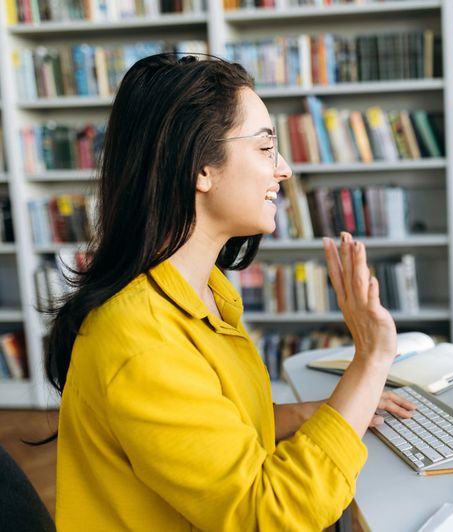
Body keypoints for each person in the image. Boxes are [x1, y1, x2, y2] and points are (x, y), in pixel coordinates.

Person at [43, 54, 416, 531]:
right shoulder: (141, 341)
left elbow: (219, 427)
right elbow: (268, 516)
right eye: (265, 148)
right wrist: (371, 358)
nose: (283, 169)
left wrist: (327, 410)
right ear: (202, 167)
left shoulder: (203, 294)